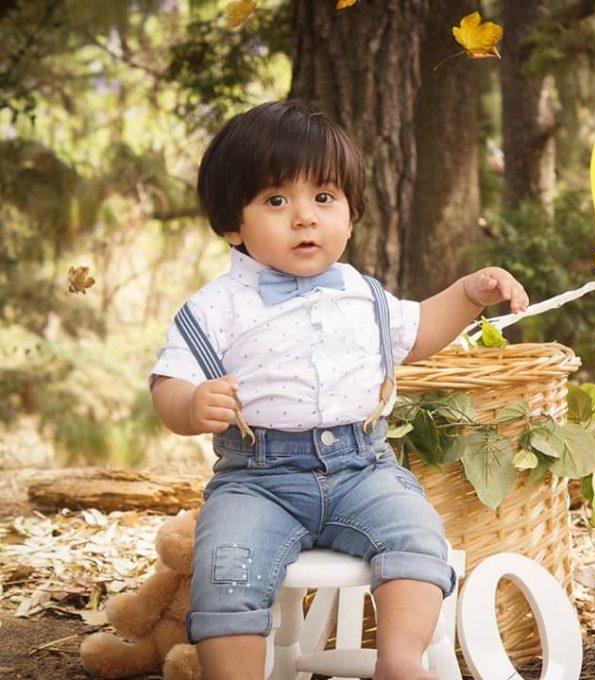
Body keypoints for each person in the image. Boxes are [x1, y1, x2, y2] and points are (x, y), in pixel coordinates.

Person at [149, 100, 528, 680]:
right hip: (258, 481)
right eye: (277, 201)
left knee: (417, 536)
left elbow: (420, 331)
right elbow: (167, 383)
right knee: (225, 570)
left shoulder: (363, 294)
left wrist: (469, 294)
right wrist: (190, 404)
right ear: (233, 223)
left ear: (350, 214)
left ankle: (398, 661)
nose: (304, 217)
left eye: (323, 198)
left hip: (362, 468)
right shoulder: (216, 306)